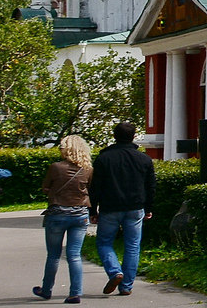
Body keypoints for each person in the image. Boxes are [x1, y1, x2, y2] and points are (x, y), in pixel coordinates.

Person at [88, 123, 155, 297]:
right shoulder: (144, 159)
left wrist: (92, 210)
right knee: (132, 246)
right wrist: (148, 208)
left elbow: (95, 187)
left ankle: (114, 271)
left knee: (104, 243)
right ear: (133, 136)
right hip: (135, 207)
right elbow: (150, 187)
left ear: (114, 135)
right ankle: (126, 286)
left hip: (110, 207)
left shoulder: (104, 158)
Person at [34, 134, 94, 302]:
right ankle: (75, 292)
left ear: (66, 149)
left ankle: (46, 290)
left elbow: (46, 187)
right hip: (80, 214)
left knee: (53, 255)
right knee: (74, 255)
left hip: (58, 213)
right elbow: (89, 188)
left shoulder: (56, 167)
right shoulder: (88, 169)